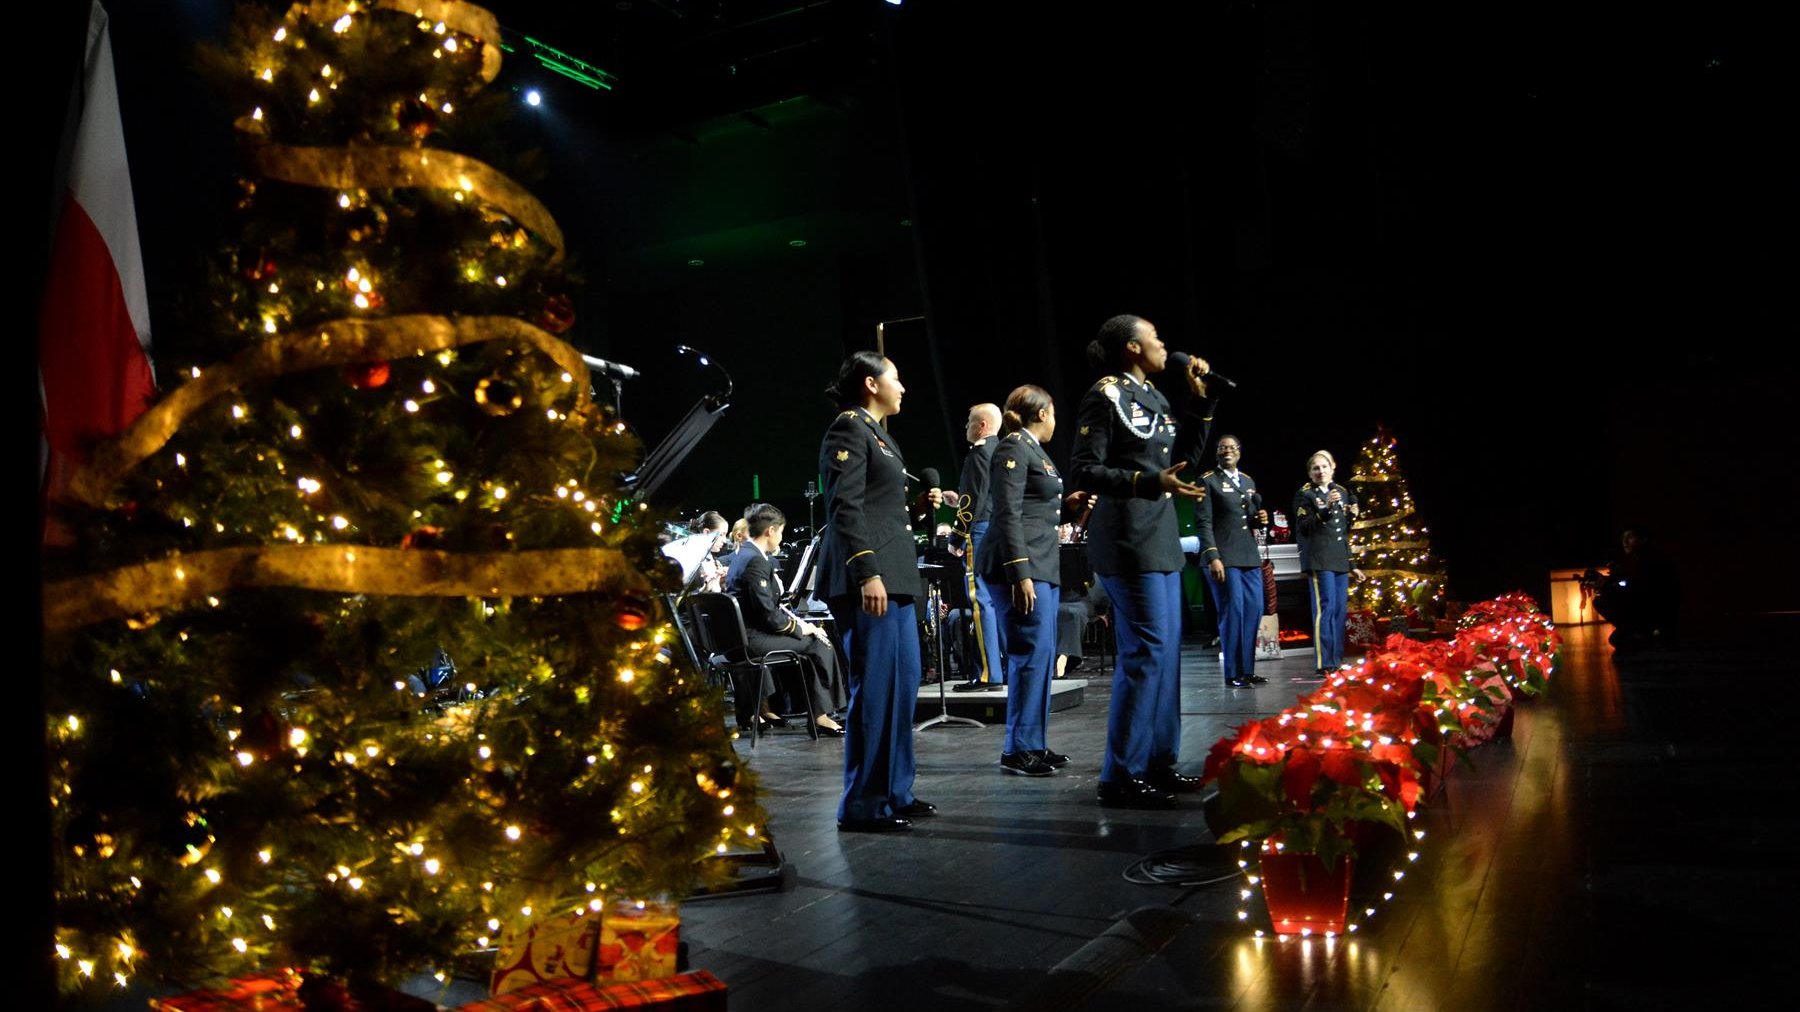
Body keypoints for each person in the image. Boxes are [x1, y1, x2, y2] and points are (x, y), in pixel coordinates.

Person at [1070, 314, 1216, 809]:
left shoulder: (1153, 397)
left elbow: (1183, 464)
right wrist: (1150, 483)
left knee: (1166, 654)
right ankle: (1120, 775)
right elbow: (1085, 470)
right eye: (1156, 338)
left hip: (1160, 539)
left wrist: (1200, 400)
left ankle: (1158, 760)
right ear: (1133, 348)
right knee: (1146, 653)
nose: (1164, 346)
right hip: (1127, 539)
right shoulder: (1104, 394)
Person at [817, 351, 940, 833]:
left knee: (903, 686)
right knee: (878, 691)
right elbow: (844, 508)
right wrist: (867, 571)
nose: (904, 388)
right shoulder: (849, 428)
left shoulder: (879, 435)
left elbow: (881, 508)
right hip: (872, 580)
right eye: (897, 379)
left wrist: (919, 507)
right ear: (872, 384)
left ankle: (895, 791)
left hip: (896, 576)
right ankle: (864, 804)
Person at [979, 385, 1079, 777]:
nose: (1056, 420)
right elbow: (1007, 513)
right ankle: (1016, 748)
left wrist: (1069, 510)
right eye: (1053, 412)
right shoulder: (1012, 447)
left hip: (1041, 563)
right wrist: (1019, 571)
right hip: (1018, 566)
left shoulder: (1034, 450)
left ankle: (1033, 742)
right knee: (1028, 654)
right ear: (1041, 413)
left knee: (1042, 654)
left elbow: (1038, 511)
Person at [727, 503, 848, 735]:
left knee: (812, 642)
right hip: (751, 640)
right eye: (781, 531)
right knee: (819, 644)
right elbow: (769, 617)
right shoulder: (755, 561)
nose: (781, 537)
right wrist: (804, 630)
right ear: (770, 531)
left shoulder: (744, 555)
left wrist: (800, 626)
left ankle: (818, 714)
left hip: (741, 637)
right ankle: (822, 716)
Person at [1197, 434, 1269, 689]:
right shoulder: (1208, 480)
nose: (1227, 451)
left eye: (1232, 447)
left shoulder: (1248, 481)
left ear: (1239, 452)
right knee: (1233, 612)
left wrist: (1258, 518)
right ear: (1217, 453)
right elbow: (1203, 522)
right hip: (1224, 557)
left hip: (1248, 554)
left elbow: (1246, 519)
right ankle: (1232, 672)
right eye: (1222, 448)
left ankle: (1247, 670)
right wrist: (1213, 556)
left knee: (1254, 610)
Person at [1292, 451, 1365, 678]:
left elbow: (1342, 533)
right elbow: (1304, 526)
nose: (1320, 471)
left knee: (1339, 611)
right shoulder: (1305, 494)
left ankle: (1336, 658)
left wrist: (1352, 564)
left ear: (1333, 467)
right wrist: (1325, 509)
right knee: (1325, 609)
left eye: (1324, 466)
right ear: (1310, 472)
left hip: (1339, 559)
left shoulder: (1342, 492)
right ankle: (1325, 662)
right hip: (1319, 558)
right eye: (1316, 468)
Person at [951, 402, 1006, 688]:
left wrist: (958, 535)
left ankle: (988, 673)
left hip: (980, 532)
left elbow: (973, 500)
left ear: (981, 425)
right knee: (999, 601)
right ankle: (1005, 669)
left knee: (980, 601)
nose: (966, 427)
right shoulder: (1002, 450)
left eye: (969, 422)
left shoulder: (978, 453)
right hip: (1000, 531)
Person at [1590, 528, 1681, 652]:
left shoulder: (1651, 561)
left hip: (1655, 611)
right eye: (1623, 538)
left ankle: (1640, 631)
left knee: (1602, 602)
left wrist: (1609, 585)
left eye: (1630, 537)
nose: (1625, 542)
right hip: (1652, 610)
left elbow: (1640, 590)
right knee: (1616, 638)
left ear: (1643, 539)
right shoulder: (1644, 560)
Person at [689, 511, 730, 593]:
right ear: (706, 533)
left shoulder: (710, 559)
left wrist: (720, 580)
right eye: (721, 534)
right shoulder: (691, 561)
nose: (725, 540)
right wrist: (705, 590)